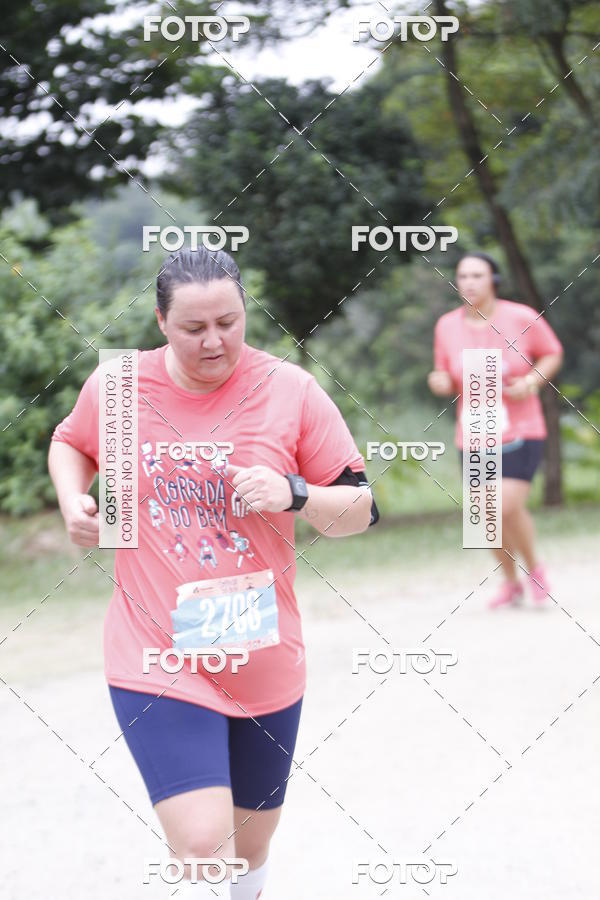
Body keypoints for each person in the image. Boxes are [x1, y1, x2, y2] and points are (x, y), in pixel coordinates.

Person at [48, 247, 379, 899]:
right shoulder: (119, 388)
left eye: (229, 322)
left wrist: (296, 494)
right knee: (203, 844)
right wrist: (72, 501)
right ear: (160, 321)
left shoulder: (289, 389)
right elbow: (70, 441)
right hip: (157, 655)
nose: (214, 341)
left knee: (247, 848)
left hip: (261, 656)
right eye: (194, 327)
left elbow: (362, 509)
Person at [427, 251, 563, 609]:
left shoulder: (521, 316)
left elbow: (551, 353)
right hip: (474, 432)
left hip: (521, 427)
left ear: (494, 280)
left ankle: (535, 570)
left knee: (500, 506)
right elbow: (443, 374)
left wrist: (532, 382)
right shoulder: (446, 325)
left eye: (477, 275)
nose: (469, 283)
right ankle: (512, 583)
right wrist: (439, 381)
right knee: (483, 520)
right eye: (463, 276)